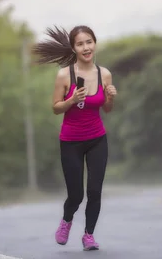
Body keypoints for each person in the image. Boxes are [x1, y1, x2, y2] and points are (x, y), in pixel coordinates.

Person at [32, 25, 117, 251]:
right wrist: (71, 100)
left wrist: (109, 97)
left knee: (95, 191)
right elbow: (55, 108)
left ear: (95, 43)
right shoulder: (64, 75)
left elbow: (107, 109)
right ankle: (67, 220)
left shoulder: (104, 74)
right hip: (71, 142)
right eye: (80, 44)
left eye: (89, 42)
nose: (86, 47)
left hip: (97, 138)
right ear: (74, 48)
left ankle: (88, 235)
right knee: (76, 195)